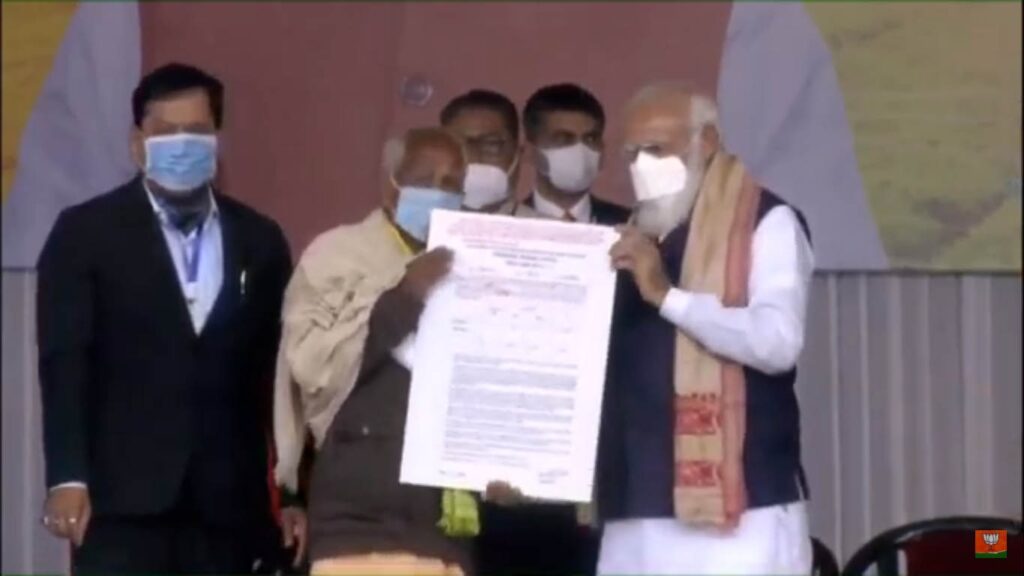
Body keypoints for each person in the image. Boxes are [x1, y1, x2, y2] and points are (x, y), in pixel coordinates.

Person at [36, 62, 294, 575]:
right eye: (166, 132)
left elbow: (281, 374)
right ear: (138, 144)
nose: (181, 144)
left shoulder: (259, 239)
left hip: (229, 507)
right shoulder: (85, 233)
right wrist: (67, 477)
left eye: (195, 131)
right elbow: (65, 362)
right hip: (122, 502)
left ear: (216, 140)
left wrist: (291, 493)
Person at [598, 82, 815, 575]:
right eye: (632, 154)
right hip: (635, 506)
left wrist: (668, 297)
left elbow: (777, 342)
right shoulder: (633, 235)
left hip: (741, 511)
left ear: (708, 141)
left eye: (657, 150)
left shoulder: (766, 221)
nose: (642, 166)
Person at [274, 127, 500, 576]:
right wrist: (405, 295)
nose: (439, 192)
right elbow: (314, 369)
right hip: (358, 523)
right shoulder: (336, 255)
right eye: (424, 179)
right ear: (391, 186)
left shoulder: (479, 263)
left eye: (452, 184)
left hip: (444, 529)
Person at [522, 83, 630, 225]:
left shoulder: (630, 225)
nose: (580, 149)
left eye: (590, 139)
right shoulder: (507, 224)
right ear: (530, 151)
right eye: (563, 139)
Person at [440, 89, 540, 218]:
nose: (473, 157)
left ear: (518, 153)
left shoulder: (547, 229)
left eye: (491, 144)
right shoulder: (420, 226)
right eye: (458, 146)